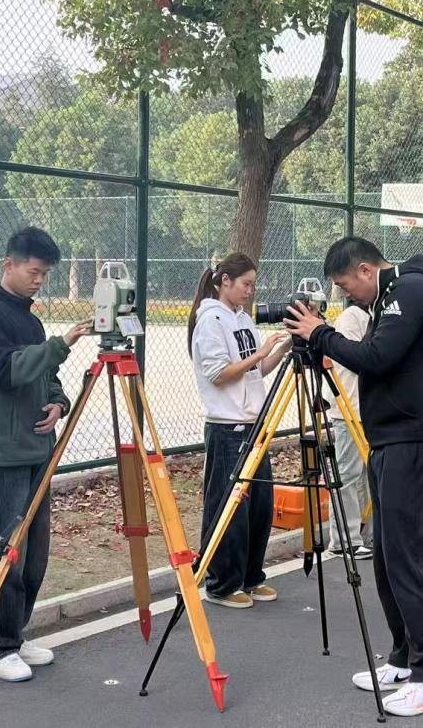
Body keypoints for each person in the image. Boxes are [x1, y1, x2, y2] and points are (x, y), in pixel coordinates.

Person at [285, 238, 423, 717]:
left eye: (346, 286)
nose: (346, 297)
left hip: (416, 443)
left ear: (365, 269)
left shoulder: (410, 291)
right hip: (391, 442)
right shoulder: (387, 297)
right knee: (387, 557)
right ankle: (404, 658)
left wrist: (320, 334)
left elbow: (376, 357)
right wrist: (321, 338)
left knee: (410, 559)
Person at [0, 226, 91, 683]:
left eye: (45, 274)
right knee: (4, 549)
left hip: (36, 447)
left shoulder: (30, 320)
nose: (39, 281)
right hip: (3, 453)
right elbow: (9, 372)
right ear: (9, 265)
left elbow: (44, 376)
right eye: (34, 272)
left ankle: (14, 635)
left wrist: (58, 402)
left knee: (34, 553)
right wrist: (61, 344)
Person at [188, 253, 289, 610]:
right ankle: (221, 583)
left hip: (254, 423)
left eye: (253, 285)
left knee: (259, 505)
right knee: (229, 506)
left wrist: (282, 349)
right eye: (245, 284)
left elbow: (255, 371)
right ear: (224, 281)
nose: (249, 291)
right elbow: (219, 374)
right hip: (227, 426)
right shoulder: (210, 321)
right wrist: (260, 353)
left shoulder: (243, 318)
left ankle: (250, 576)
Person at [322, 300, 374, 560]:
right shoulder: (351, 318)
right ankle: (344, 540)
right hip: (349, 409)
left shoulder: (368, 316)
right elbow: (355, 360)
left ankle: (366, 535)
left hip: (364, 410)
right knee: (348, 475)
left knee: (366, 477)